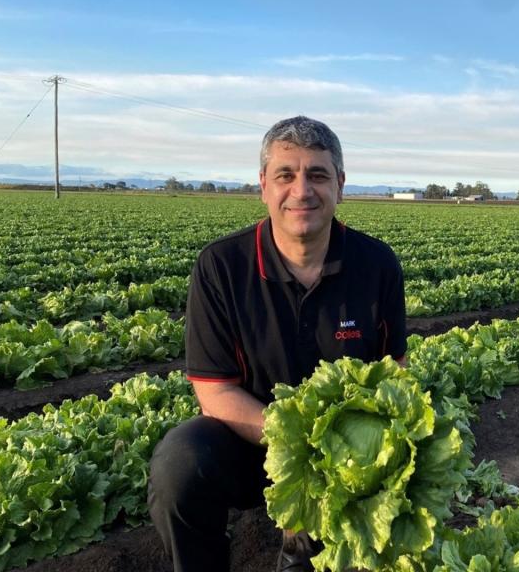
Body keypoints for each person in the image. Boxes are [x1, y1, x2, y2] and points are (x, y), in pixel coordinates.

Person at [148, 116, 407, 572]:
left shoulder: (377, 265)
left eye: (318, 175)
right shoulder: (221, 267)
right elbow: (215, 392)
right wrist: (298, 452)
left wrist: (341, 465)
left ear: (341, 186)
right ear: (264, 185)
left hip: (342, 459)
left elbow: (395, 374)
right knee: (180, 464)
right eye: (286, 175)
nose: (302, 190)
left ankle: (306, 553)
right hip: (253, 446)